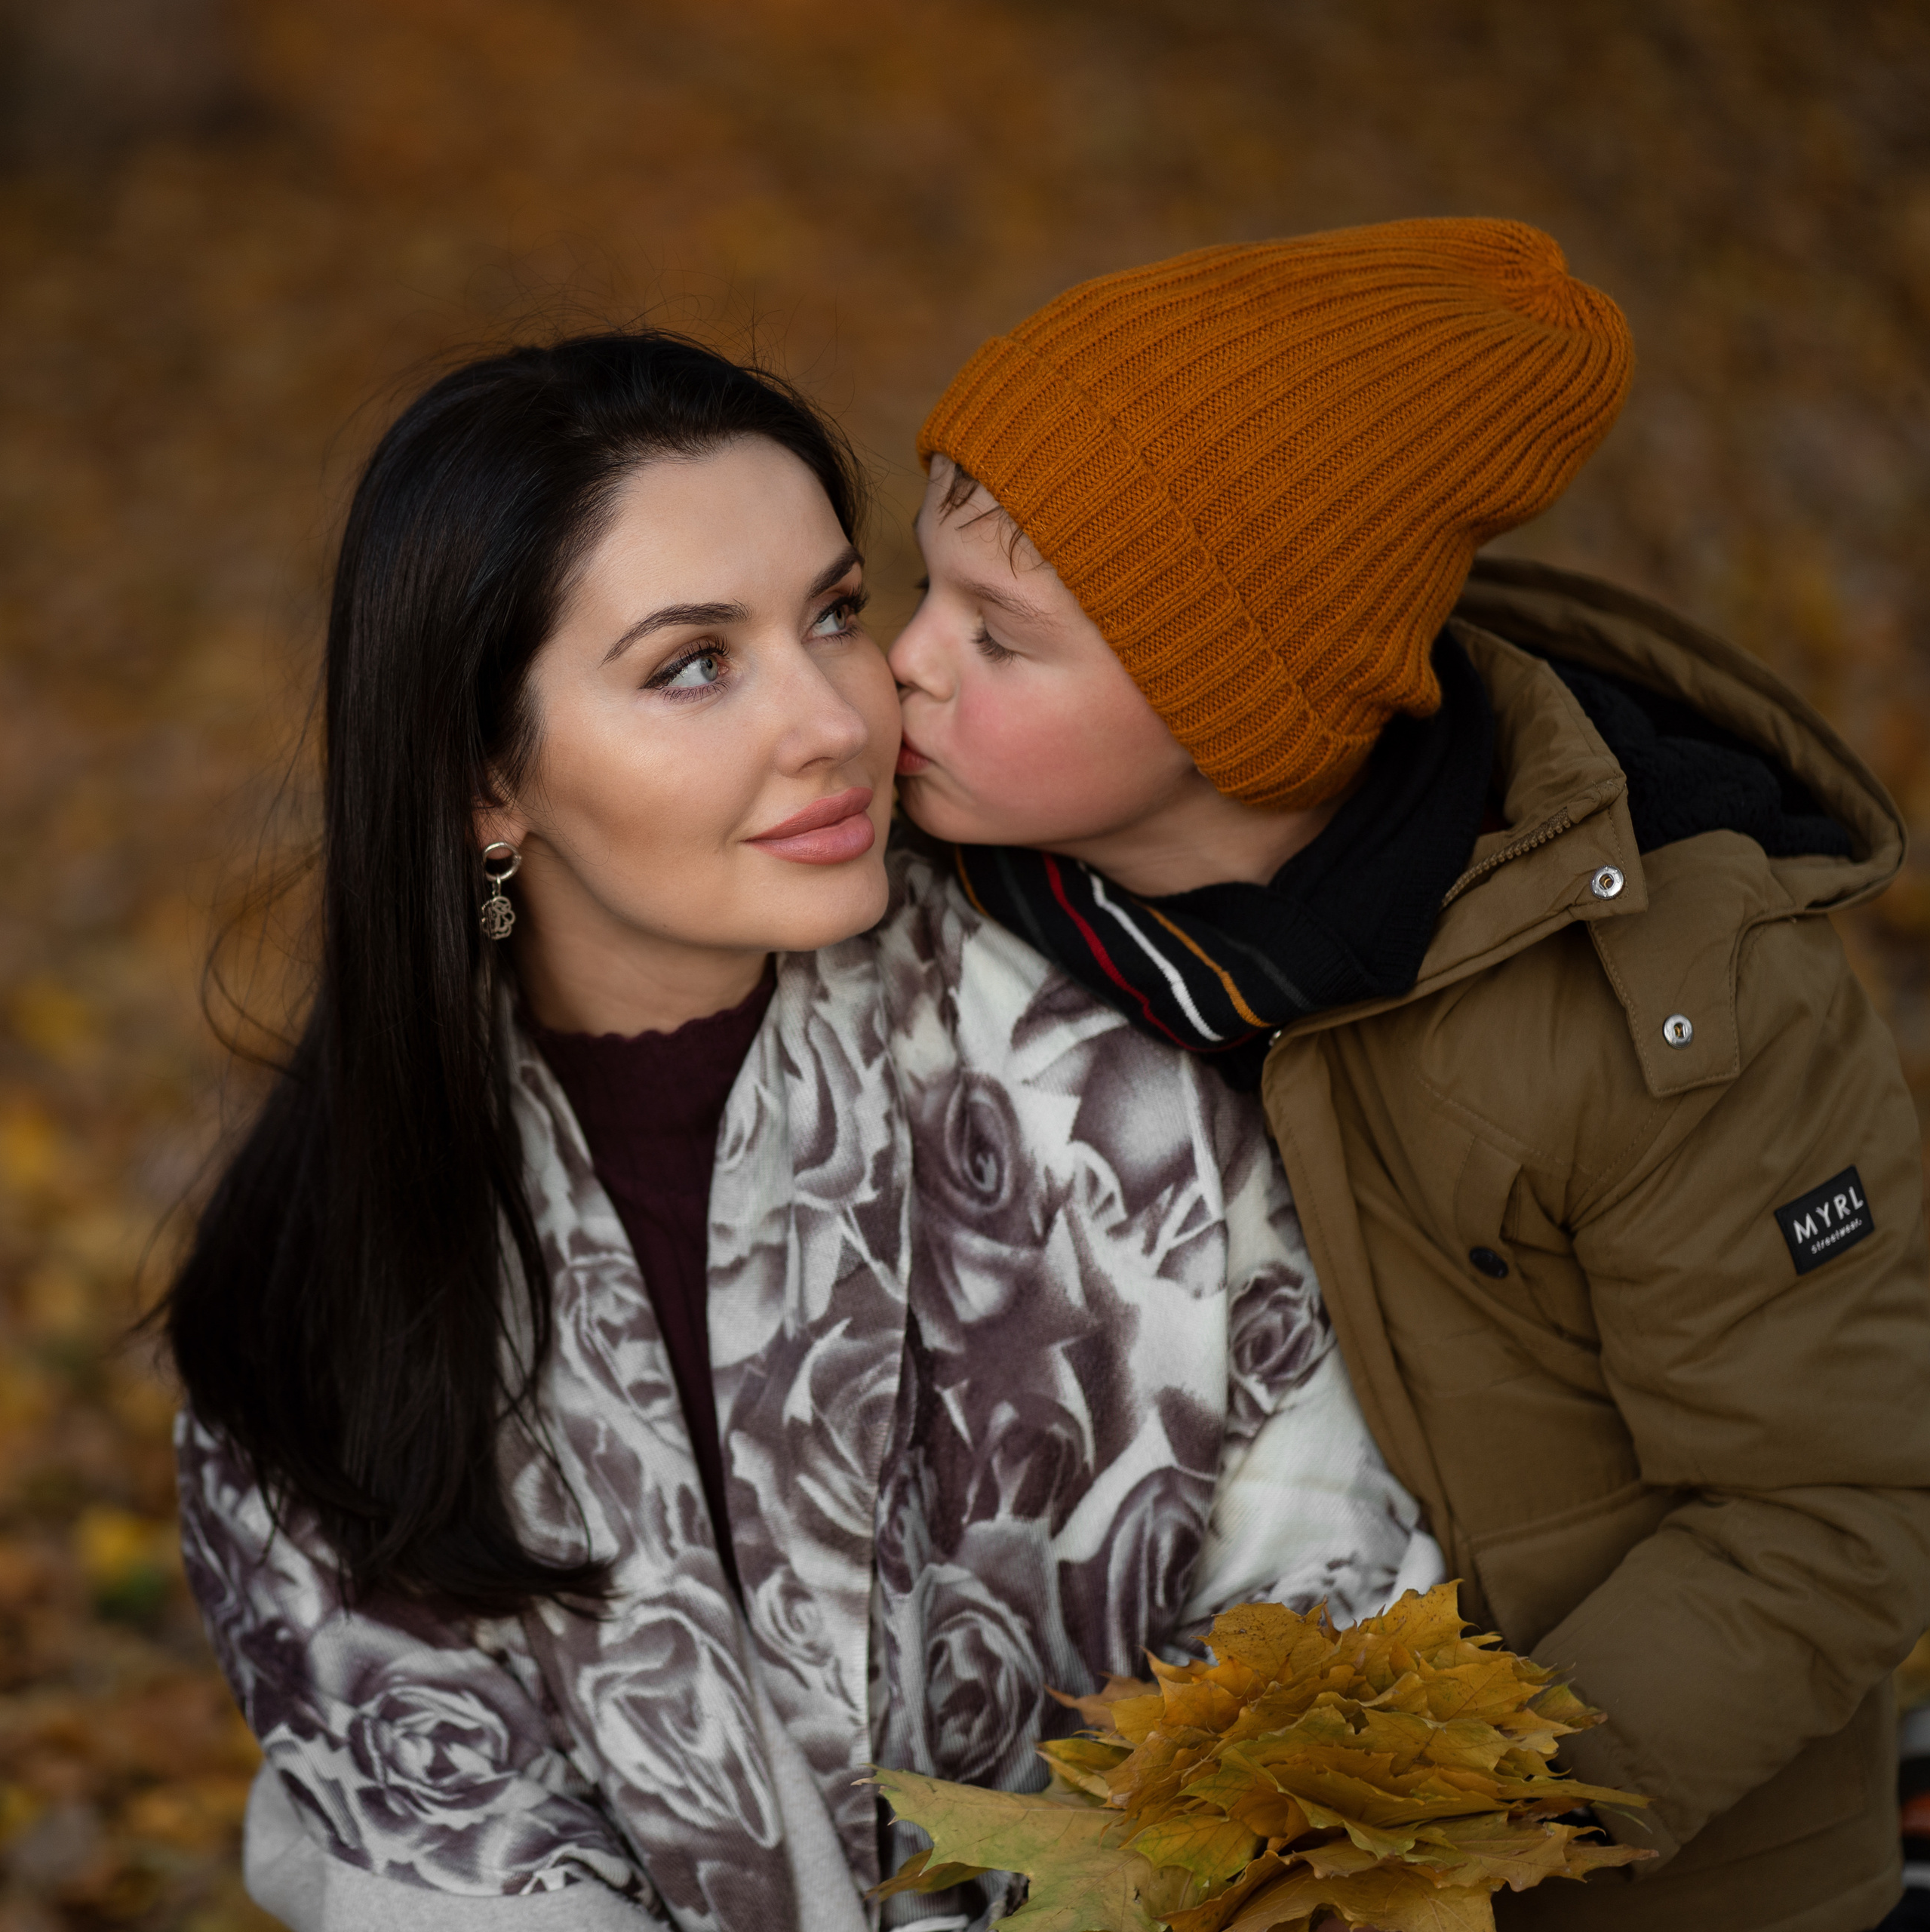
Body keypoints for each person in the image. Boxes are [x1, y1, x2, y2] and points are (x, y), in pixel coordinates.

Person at [166, 329, 1433, 1932]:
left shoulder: (1140, 1076)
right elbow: (445, 1842)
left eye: (834, 613)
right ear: (486, 776)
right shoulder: (320, 1277)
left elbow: (1323, 1617)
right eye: (693, 661)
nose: (837, 718)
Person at [888, 219, 1930, 1932]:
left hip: (1630, 1882)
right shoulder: (938, 910)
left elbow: (1823, 1499)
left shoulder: (1657, 995)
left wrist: (1434, 1829)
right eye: (920, 584)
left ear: (1238, 703)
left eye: (998, 633)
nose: (908, 657)